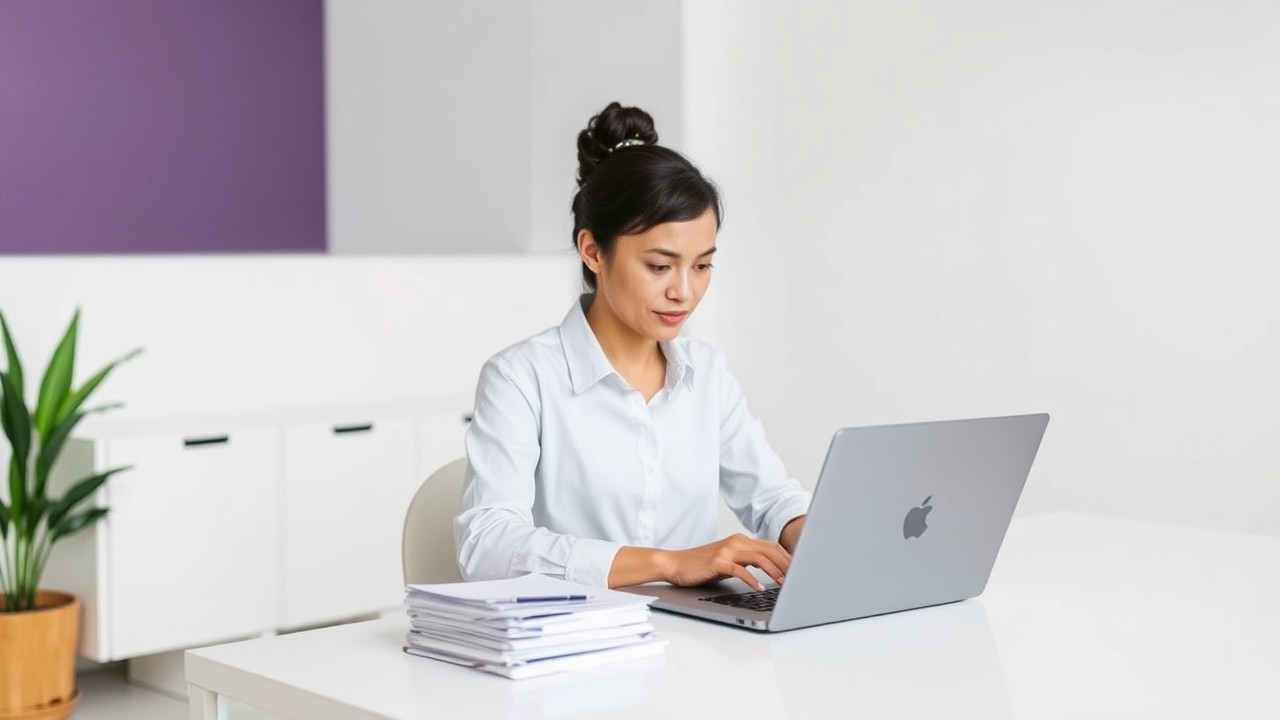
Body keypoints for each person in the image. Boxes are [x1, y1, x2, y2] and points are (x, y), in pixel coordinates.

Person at [454, 102, 811, 590]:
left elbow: (772, 498)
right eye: (660, 266)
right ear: (593, 251)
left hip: (694, 639)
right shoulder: (521, 378)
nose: (684, 292)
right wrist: (669, 563)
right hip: (577, 641)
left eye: (702, 266)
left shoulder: (706, 373)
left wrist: (818, 534)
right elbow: (488, 545)